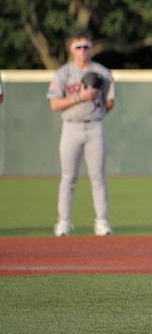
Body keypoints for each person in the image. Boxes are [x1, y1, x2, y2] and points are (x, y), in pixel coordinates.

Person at [47, 31, 116, 237]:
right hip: (71, 126)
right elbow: (54, 104)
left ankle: (102, 221)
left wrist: (97, 110)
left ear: (91, 47)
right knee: (68, 177)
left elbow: (110, 101)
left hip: (94, 126)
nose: (82, 51)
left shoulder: (102, 72)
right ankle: (64, 221)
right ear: (71, 49)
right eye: (78, 47)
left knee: (98, 177)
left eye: (86, 46)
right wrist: (80, 97)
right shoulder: (63, 73)